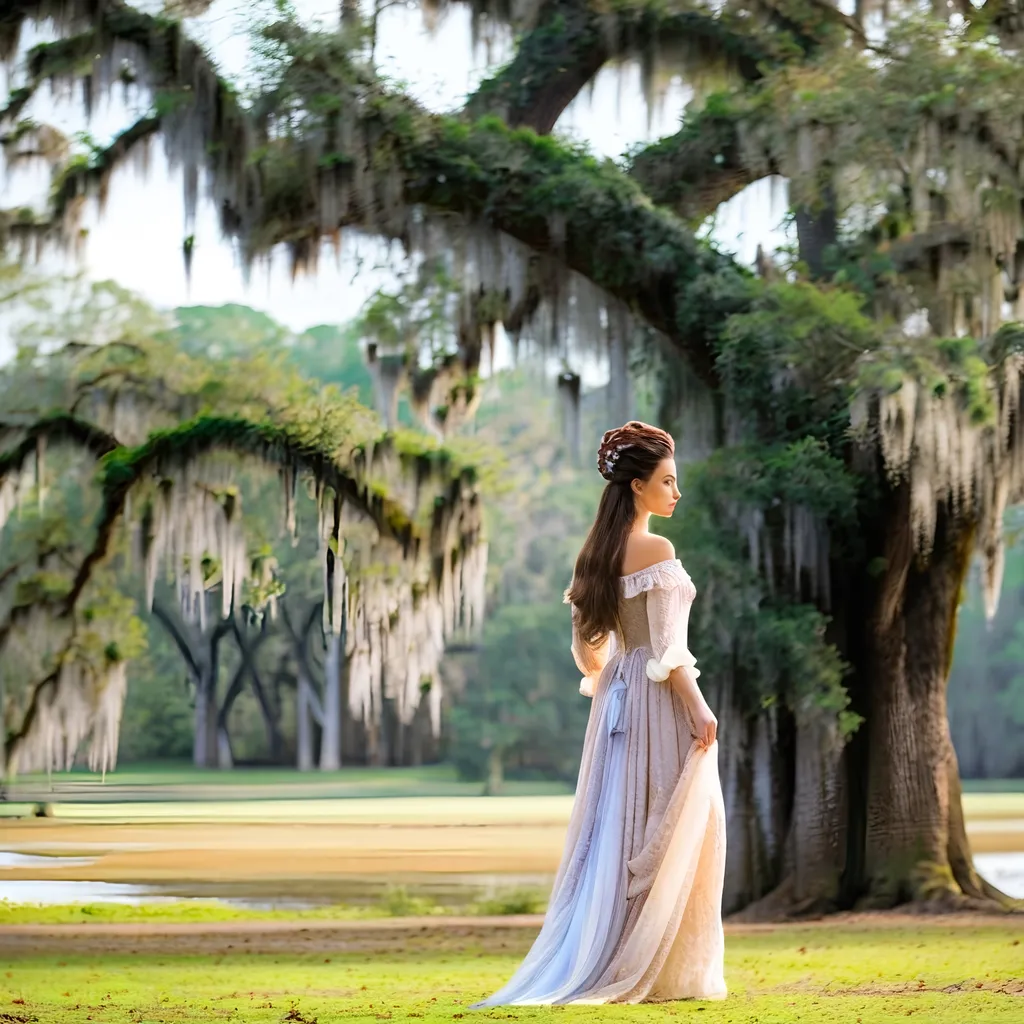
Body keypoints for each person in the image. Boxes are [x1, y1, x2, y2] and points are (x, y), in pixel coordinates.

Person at [471, 420, 727, 1008]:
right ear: (638, 486)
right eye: (668, 481)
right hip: (658, 698)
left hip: (616, 699)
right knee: (676, 821)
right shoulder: (657, 550)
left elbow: (587, 652)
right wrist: (699, 708)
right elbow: (669, 649)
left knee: (617, 824)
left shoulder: (596, 554)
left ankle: (612, 953)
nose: (676, 493)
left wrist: (616, 676)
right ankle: (653, 968)